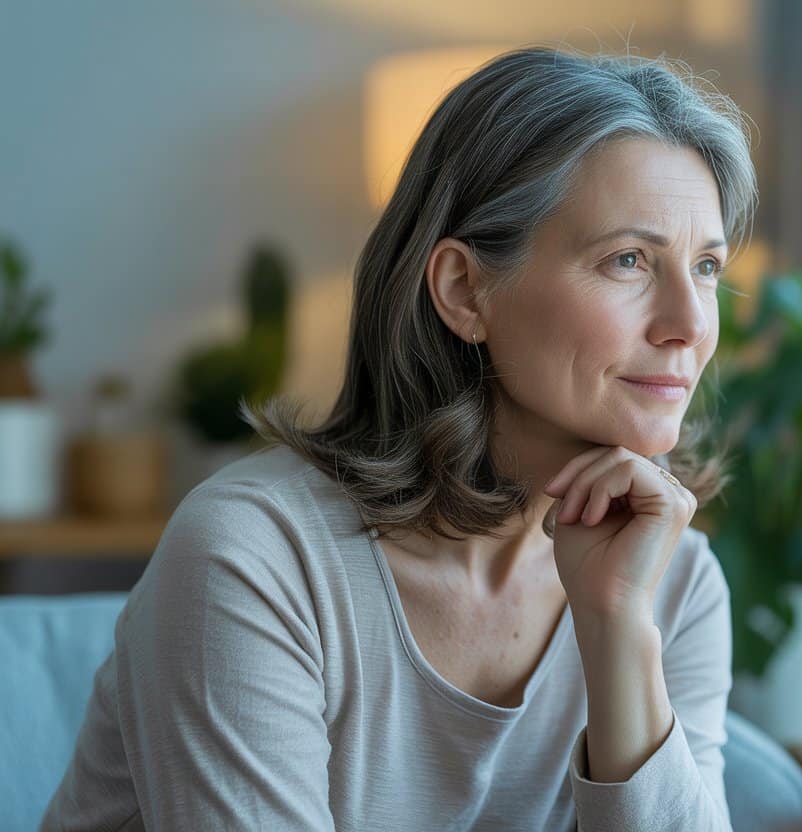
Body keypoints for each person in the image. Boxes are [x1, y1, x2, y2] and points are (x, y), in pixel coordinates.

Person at [42, 44, 757, 831]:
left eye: (708, 268)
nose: (691, 325)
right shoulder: (254, 557)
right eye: (628, 260)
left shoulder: (673, 579)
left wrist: (617, 628)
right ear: (463, 290)